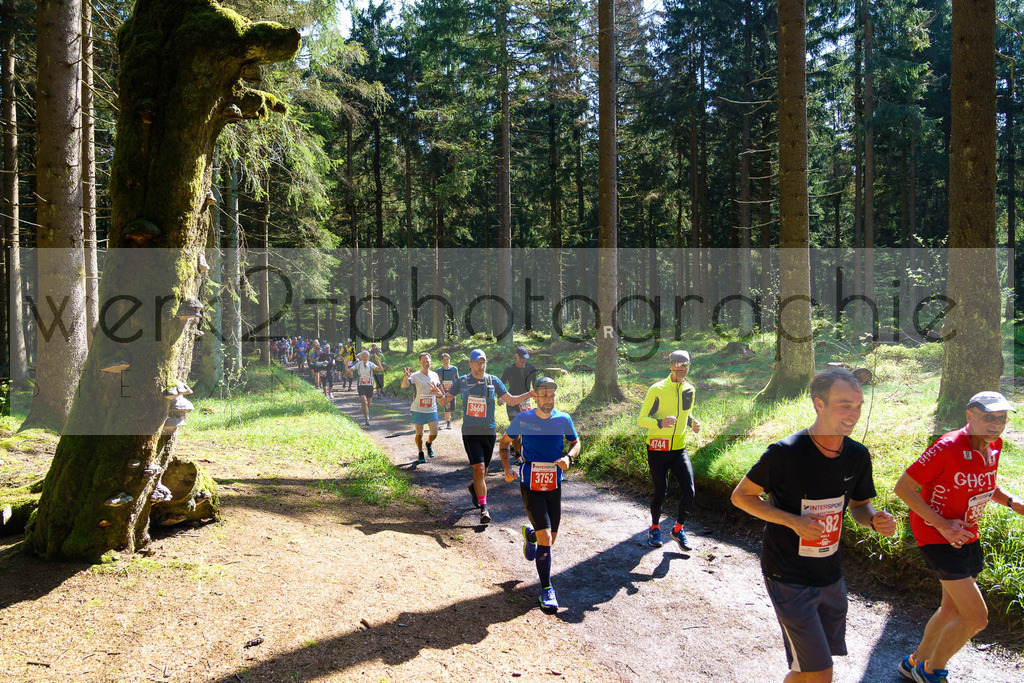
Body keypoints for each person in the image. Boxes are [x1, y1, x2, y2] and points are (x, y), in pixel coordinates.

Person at [730, 368, 897, 683]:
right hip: (788, 576)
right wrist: (793, 521)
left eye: (859, 405)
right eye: (845, 405)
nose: (854, 413)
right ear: (819, 404)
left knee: (806, 669)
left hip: (831, 575)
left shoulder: (857, 455)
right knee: (821, 672)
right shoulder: (786, 453)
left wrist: (874, 520)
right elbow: (742, 496)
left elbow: (859, 506)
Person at [893, 391, 1024, 683]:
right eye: (988, 417)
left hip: (967, 535)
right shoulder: (947, 446)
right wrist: (941, 524)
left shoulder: (995, 444)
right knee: (976, 618)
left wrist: (1013, 502)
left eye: (1001, 419)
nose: (996, 424)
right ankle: (930, 672)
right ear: (970, 416)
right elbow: (903, 488)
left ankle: (914, 662)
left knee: (951, 609)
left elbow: (986, 483)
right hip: (937, 536)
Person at [500, 376, 581, 614]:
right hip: (530, 483)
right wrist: (507, 469)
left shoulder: (563, 419)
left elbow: (576, 442)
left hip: (554, 484)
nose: (549, 399)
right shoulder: (523, 419)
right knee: (547, 539)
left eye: (553, 394)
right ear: (535, 396)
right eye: (544, 394)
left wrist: (568, 457)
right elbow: (504, 443)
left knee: (550, 538)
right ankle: (546, 589)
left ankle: (531, 535)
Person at [443, 349, 534, 525]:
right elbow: (444, 401)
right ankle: (484, 509)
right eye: (477, 362)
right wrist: (439, 394)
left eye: (483, 362)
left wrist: (530, 394)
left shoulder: (493, 381)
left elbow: (512, 400)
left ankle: (474, 488)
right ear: (470, 364)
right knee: (478, 469)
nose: (480, 366)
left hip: (489, 432)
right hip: (470, 431)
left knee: (483, 471)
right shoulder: (462, 381)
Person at [637, 349, 702, 550]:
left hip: (678, 449)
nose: (682, 368)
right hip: (657, 448)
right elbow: (641, 419)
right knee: (661, 491)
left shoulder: (690, 390)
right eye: (678, 364)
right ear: (670, 366)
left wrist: (693, 423)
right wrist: (660, 423)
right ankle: (655, 528)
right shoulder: (656, 389)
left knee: (689, 491)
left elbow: (686, 414)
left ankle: (677, 530)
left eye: (686, 364)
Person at [400, 352, 443, 463]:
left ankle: (428, 444)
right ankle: (420, 452)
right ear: (420, 362)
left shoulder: (434, 375)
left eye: (427, 361)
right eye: (423, 361)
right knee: (419, 435)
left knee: (434, 433)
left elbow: (440, 390)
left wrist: (444, 399)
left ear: (431, 362)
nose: (425, 363)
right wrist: (405, 378)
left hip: (432, 409)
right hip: (418, 409)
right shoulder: (415, 375)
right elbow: (404, 386)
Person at [500, 346, 537, 423]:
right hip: (512, 401)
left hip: (525, 401)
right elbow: (500, 384)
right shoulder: (509, 369)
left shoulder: (531, 368)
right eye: (521, 358)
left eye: (525, 358)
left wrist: (537, 397)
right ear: (516, 356)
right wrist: (501, 397)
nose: (523, 360)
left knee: (525, 426)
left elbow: (535, 383)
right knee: (514, 425)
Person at [352, 349, 380, 425]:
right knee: (364, 402)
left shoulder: (371, 364)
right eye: (364, 357)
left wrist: (378, 361)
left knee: (368, 403)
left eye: (366, 357)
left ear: (368, 357)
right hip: (361, 385)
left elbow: (380, 369)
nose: (365, 358)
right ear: (361, 357)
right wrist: (345, 365)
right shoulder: (358, 364)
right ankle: (367, 419)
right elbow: (349, 370)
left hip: (369, 385)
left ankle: (366, 412)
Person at [438, 352, 460, 429]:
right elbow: (438, 381)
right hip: (443, 391)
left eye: (447, 359)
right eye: (444, 360)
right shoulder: (439, 370)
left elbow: (457, 379)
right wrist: (440, 391)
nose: (446, 361)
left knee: (452, 408)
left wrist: (458, 389)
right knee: (447, 407)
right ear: (442, 360)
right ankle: (448, 423)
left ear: (450, 360)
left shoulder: (454, 369)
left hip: (452, 391)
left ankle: (448, 419)